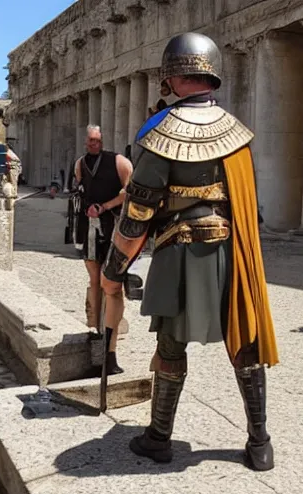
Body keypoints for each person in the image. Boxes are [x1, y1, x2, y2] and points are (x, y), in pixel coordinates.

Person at [101, 32, 279, 471]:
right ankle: (260, 444)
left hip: (180, 254)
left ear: (172, 76)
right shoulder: (236, 132)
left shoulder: (162, 133)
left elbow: (137, 212)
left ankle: (159, 438)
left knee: (170, 346)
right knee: (245, 341)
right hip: (232, 253)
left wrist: (114, 270)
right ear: (209, 73)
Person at [74, 125, 133, 375]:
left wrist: (105, 206)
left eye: (97, 139)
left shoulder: (119, 162)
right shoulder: (80, 164)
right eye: (90, 140)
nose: (93, 143)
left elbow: (130, 191)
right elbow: (80, 190)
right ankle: (96, 336)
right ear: (86, 141)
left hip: (114, 227)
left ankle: (110, 350)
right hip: (89, 227)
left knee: (113, 286)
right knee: (95, 281)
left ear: (102, 140)